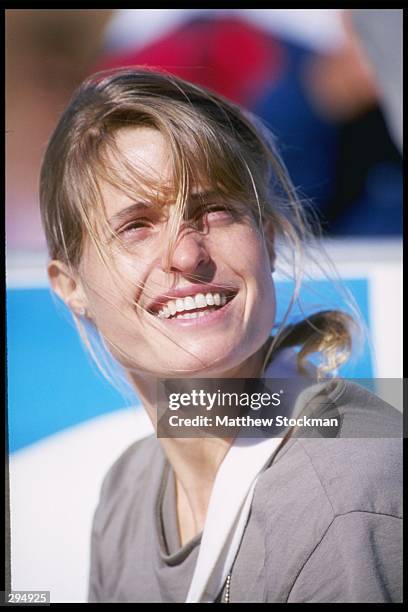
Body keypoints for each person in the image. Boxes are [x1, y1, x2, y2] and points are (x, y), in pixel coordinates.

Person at [39, 68, 402, 603]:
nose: (186, 254)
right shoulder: (127, 492)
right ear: (72, 287)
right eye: (136, 225)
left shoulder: (345, 491)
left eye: (215, 211)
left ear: (269, 240)